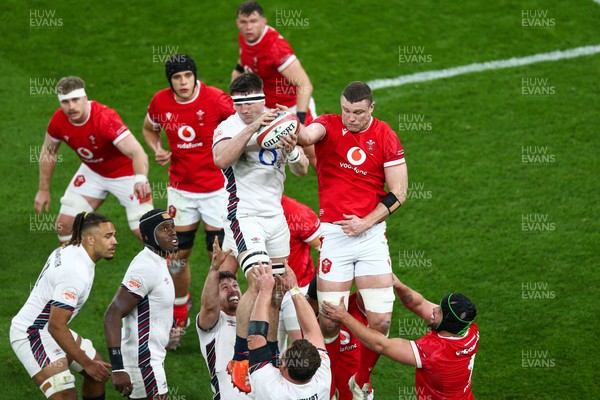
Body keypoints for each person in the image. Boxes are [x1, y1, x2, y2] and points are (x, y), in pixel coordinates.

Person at [298, 81, 408, 398]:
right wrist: (293, 119)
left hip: (370, 235)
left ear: (371, 108)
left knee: (382, 320)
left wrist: (366, 222)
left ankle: (360, 380)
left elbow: (399, 192)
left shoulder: (385, 136)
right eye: (346, 110)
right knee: (330, 319)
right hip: (334, 234)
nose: (351, 118)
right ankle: (331, 380)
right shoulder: (329, 124)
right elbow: (306, 136)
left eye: (358, 112)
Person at [212, 71, 309, 391]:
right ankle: (240, 358)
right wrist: (253, 127)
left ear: (262, 98)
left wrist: (293, 148)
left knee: (279, 288)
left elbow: (302, 169)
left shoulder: (283, 117)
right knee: (259, 279)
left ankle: (265, 355)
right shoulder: (228, 127)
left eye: (251, 104)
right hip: (245, 216)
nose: (245, 109)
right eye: (239, 104)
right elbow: (220, 159)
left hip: (276, 217)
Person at [142, 54, 237, 350]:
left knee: (219, 257)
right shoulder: (160, 102)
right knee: (176, 258)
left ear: (195, 76)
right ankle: (180, 316)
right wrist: (157, 148)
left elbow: (241, 127)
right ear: (169, 81)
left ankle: (224, 316)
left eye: (187, 76)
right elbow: (148, 128)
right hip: (181, 190)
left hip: (217, 189)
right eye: (176, 78)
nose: (183, 82)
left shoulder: (218, 100)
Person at [34, 76, 153, 243]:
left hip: (126, 175)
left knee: (146, 232)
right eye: (65, 102)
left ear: (85, 98)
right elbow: (48, 151)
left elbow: (138, 153)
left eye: (75, 100)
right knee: (65, 225)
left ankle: (170, 265)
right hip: (94, 172)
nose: (71, 107)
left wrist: (140, 179)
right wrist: (43, 189)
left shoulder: (105, 118)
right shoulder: (58, 120)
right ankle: (73, 269)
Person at [10, 212, 116, 399]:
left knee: (98, 374)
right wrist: (86, 363)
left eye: (114, 235)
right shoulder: (75, 273)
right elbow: (56, 325)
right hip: (32, 334)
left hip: (48, 328)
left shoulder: (73, 248)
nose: (115, 241)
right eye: (108, 236)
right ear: (90, 239)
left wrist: (91, 364)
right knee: (66, 394)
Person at [322, 276, 479, 400]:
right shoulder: (469, 330)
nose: (434, 310)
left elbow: (381, 345)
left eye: (439, 312)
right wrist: (399, 285)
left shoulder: (434, 352)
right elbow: (419, 304)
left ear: (447, 323)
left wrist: (344, 317)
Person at [103, 209, 179, 399]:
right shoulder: (145, 267)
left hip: (150, 359)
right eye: (164, 229)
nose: (172, 232)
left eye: (172, 227)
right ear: (147, 237)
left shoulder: (158, 261)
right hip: (143, 362)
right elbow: (112, 315)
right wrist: (118, 367)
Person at [232, 1, 318, 166]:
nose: (248, 27)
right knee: (257, 156)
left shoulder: (275, 49)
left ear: (263, 21)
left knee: (311, 152)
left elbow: (304, 84)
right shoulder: (245, 37)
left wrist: (299, 121)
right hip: (264, 107)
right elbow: (245, 56)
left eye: (253, 21)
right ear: (238, 23)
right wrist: (237, 72)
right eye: (244, 22)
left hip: (289, 106)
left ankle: (331, 187)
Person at [247, 263, 331, 399]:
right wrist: (293, 289)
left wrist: (264, 291)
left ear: (284, 367)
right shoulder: (321, 381)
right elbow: (313, 331)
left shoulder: (272, 390)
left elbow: (255, 340)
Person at [196, 239, 251, 399]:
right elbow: (209, 306)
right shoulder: (214, 322)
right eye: (224, 288)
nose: (232, 290)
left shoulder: (252, 317)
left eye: (235, 285)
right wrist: (214, 269)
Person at [278, 195, 320, 352]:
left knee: (302, 351)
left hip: (297, 291)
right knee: (268, 353)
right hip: (266, 292)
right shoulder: (247, 210)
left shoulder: (297, 213)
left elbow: (323, 246)